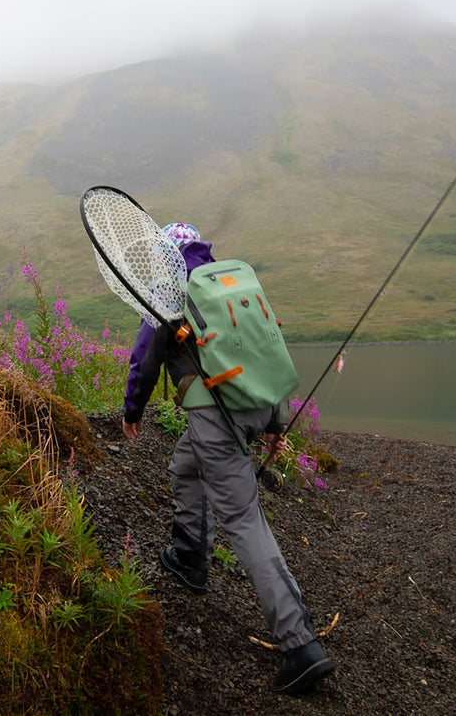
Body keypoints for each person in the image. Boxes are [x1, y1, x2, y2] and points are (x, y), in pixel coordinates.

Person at [122, 221, 335, 696]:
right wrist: (277, 423)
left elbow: (145, 357)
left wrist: (131, 412)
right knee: (185, 464)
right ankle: (190, 557)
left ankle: (300, 645)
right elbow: (268, 350)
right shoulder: (229, 282)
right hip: (257, 403)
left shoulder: (170, 290)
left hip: (217, 414)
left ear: (165, 255)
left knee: (243, 518)